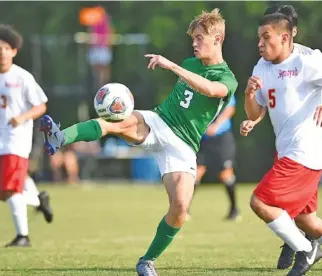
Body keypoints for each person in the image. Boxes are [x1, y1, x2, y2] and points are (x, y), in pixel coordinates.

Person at [39, 9, 238, 276]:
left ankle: (147, 261)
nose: (194, 43)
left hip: (184, 146)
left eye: (200, 38)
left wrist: (172, 66)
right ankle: (60, 136)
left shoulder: (227, 78)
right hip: (158, 121)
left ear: (218, 39)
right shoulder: (191, 62)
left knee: (179, 208)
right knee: (116, 122)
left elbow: (212, 90)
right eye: (193, 38)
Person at [240, 4, 322, 271]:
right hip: (287, 147)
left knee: (260, 201)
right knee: (306, 219)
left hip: (306, 149)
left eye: (266, 37)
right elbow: (259, 109)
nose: (260, 43)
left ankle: (304, 248)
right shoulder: (261, 66)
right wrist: (249, 100)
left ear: (287, 36)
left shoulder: (306, 60)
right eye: (259, 38)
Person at [0, 25, 53, 247]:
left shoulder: (22, 77)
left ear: (14, 51)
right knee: (7, 190)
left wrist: (22, 118)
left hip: (15, 141)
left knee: (10, 189)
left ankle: (23, 236)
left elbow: (41, 105)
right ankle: (38, 199)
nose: (1, 52)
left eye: (5, 48)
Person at [193, 94, 240, 221]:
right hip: (204, 139)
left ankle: (234, 210)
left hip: (222, 138)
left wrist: (216, 125)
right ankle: (183, 209)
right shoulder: (200, 89)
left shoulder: (225, 85)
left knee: (225, 174)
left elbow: (230, 109)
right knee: (196, 172)